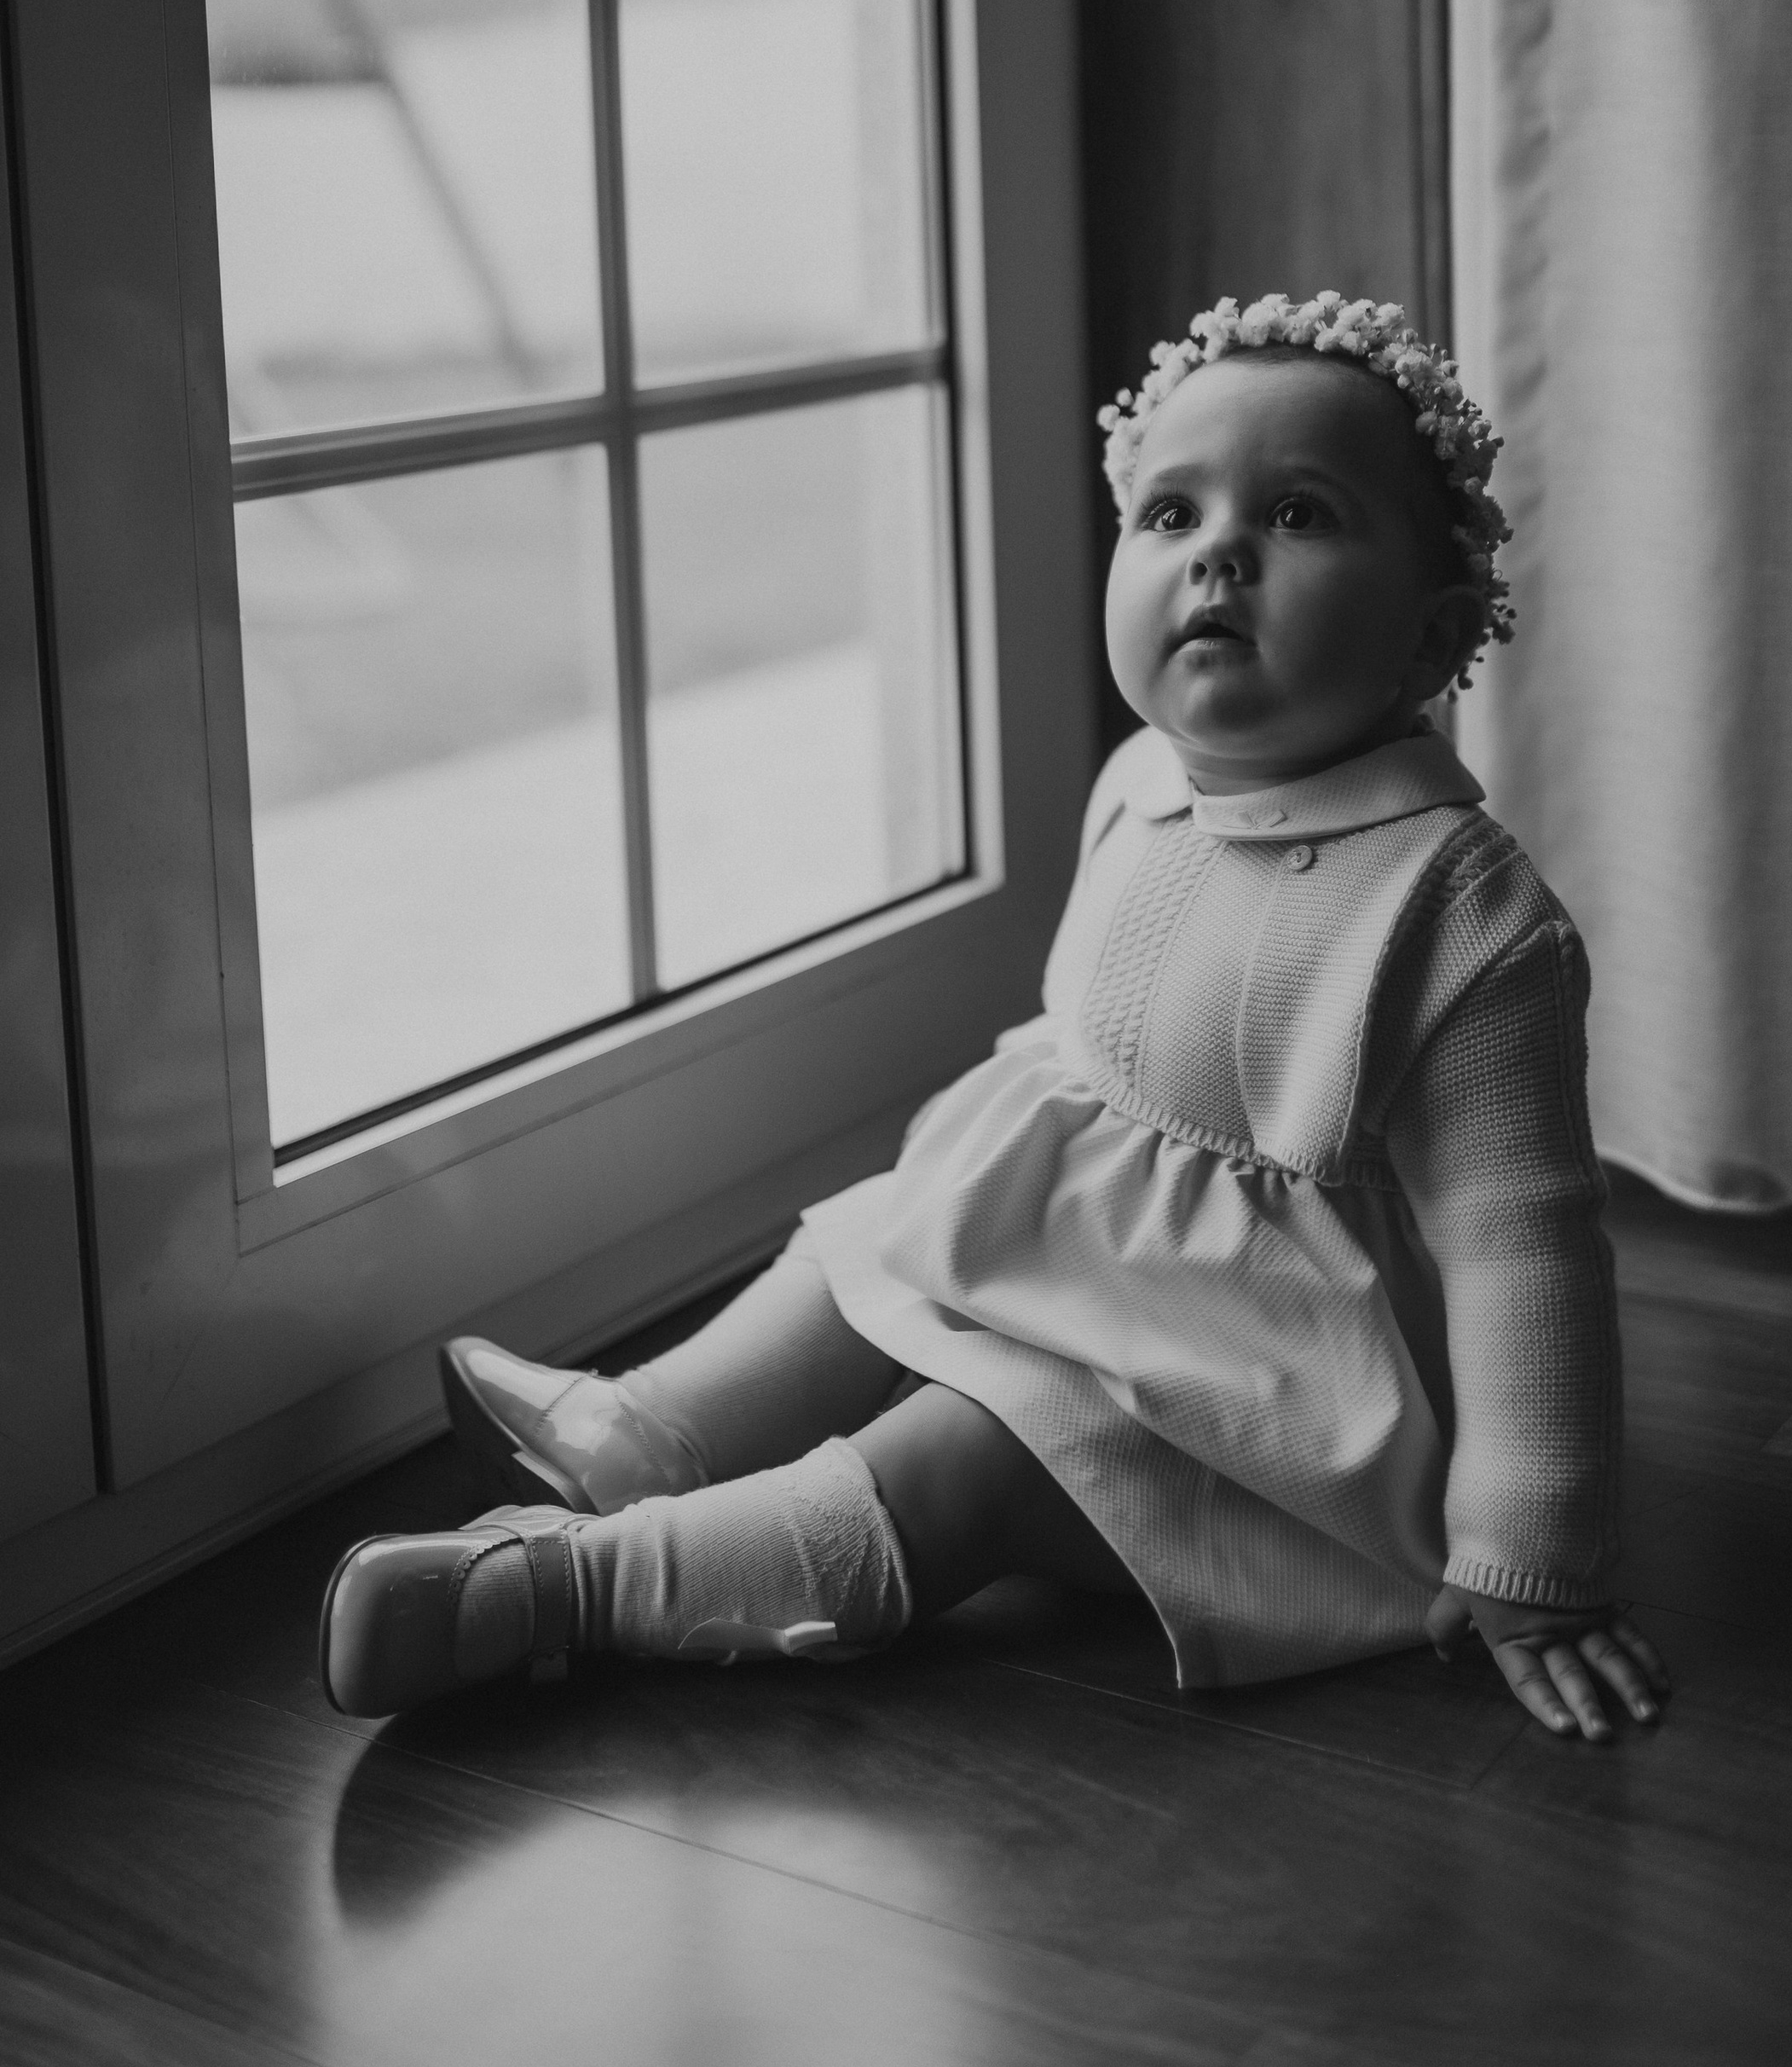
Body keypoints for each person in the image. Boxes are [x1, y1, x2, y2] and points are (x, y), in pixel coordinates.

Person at [321, 291, 1668, 1746]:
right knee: (862, 1244)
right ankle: (641, 1432)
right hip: (1084, 1258)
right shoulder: (1144, 782)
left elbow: (1523, 1245)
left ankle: (566, 1591)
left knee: (968, 1453)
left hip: (1260, 1395)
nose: (1218, 552)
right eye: (1170, 514)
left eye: (1297, 515)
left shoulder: (1459, 914)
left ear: (1433, 633)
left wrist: (1530, 1547)